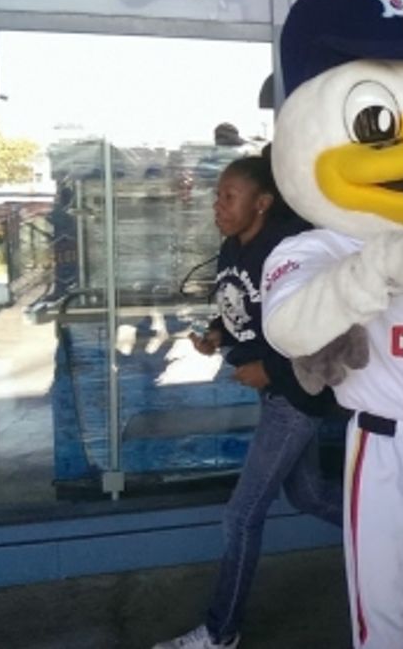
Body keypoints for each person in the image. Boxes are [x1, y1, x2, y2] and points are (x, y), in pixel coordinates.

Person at [154, 152, 339, 649]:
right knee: (309, 495)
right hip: (274, 393)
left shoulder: (289, 252)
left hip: (294, 395)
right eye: (217, 196)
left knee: (241, 515)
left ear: (262, 203)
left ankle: (221, 632)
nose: (218, 205)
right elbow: (238, 304)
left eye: (229, 197)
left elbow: (325, 331)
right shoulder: (232, 246)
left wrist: (270, 369)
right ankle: (393, 536)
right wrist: (216, 333)